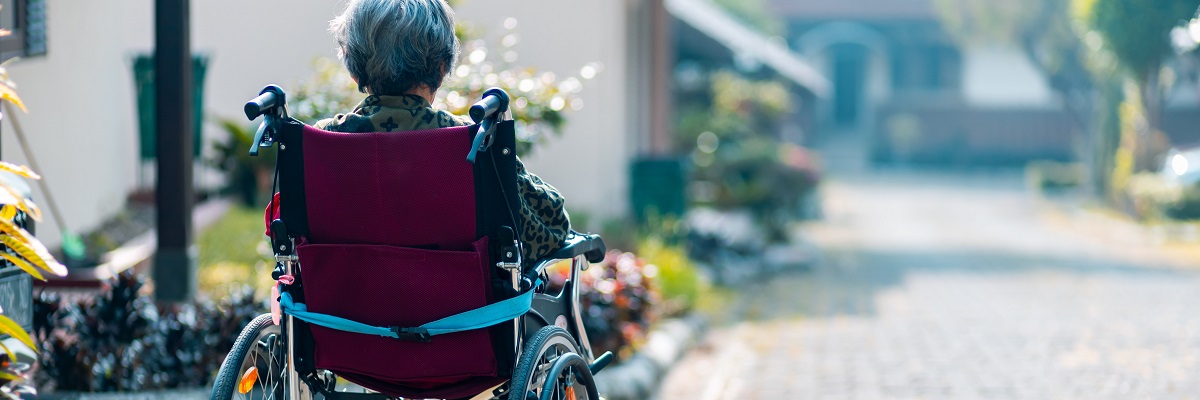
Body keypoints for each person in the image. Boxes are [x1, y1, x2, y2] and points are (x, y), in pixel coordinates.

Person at [317, 0, 571, 261]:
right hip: (461, 299)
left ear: (355, 72)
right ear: (441, 67)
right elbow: (551, 227)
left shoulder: (320, 142)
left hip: (343, 298)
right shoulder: (472, 140)